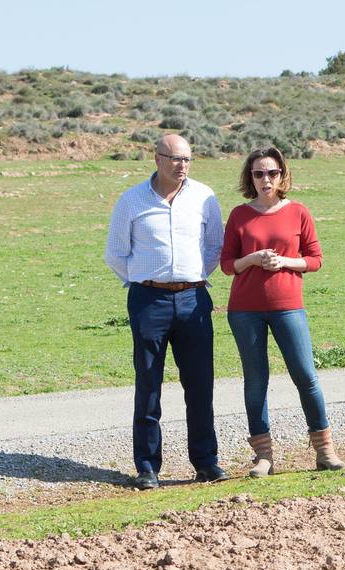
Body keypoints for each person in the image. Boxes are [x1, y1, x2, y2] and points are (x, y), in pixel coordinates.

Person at [103, 134, 226, 489]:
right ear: (156, 158)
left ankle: (206, 462)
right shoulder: (132, 200)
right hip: (148, 301)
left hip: (194, 299)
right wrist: (146, 280)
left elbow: (215, 245)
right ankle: (147, 466)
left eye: (187, 159)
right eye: (175, 158)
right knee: (149, 383)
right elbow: (115, 253)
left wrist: (191, 276)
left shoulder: (205, 197)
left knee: (200, 383)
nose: (182, 165)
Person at [219, 146, 345, 476]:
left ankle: (324, 449)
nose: (265, 179)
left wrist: (284, 262)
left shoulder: (298, 212)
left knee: (306, 376)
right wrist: (253, 259)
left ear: (282, 175)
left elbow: (315, 259)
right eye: (258, 173)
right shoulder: (239, 215)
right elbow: (227, 265)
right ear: (250, 177)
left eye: (272, 173)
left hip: (288, 306)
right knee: (256, 381)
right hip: (244, 310)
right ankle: (264, 457)